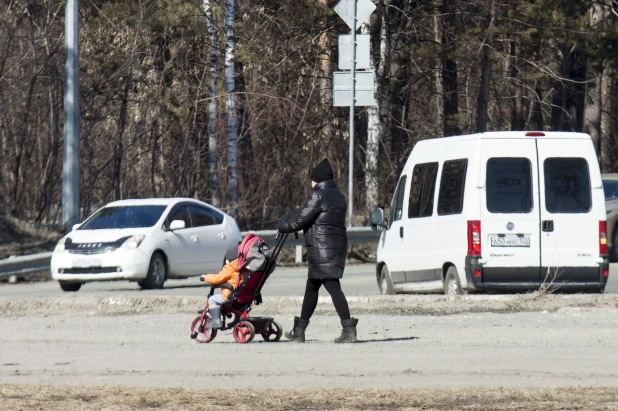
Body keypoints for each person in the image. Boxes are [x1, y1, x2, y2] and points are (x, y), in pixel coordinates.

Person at [278, 158, 357, 343]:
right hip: (335, 248)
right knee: (312, 289)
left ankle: (349, 329)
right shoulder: (338, 195)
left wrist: (282, 226)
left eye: (312, 179)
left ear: (318, 179)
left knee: (333, 286)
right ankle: (299, 330)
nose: (311, 183)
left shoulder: (318, 195)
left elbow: (300, 220)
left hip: (322, 250)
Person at [200, 246, 240, 328]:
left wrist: (205, 277)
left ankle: (216, 321)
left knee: (212, 299)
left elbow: (217, 278)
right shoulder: (242, 268)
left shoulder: (230, 268)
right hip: (241, 295)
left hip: (229, 296)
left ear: (228, 260)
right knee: (239, 305)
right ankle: (238, 320)